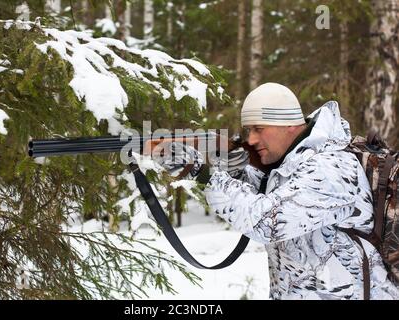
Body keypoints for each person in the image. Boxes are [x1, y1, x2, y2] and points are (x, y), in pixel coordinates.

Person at [158, 82, 399, 299]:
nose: (250, 139)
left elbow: (266, 221)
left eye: (258, 129)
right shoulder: (293, 165)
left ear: (289, 125)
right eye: (248, 130)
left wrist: (201, 173)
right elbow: (271, 196)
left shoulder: (329, 168)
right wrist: (236, 169)